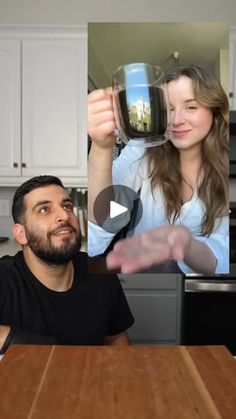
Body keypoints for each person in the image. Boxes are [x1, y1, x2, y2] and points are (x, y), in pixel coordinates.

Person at [88, 64, 229, 274]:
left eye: (191, 107)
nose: (177, 120)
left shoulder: (226, 165)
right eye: (169, 108)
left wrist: (184, 244)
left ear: (214, 111)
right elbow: (104, 218)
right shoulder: (141, 151)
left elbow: (222, 254)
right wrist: (101, 147)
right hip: (139, 286)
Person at [0, 176, 134, 354]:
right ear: (21, 234)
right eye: (44, 210)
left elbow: (116, 339)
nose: (64, 215)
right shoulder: (4, 278)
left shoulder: (100, 273)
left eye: (67, 206)